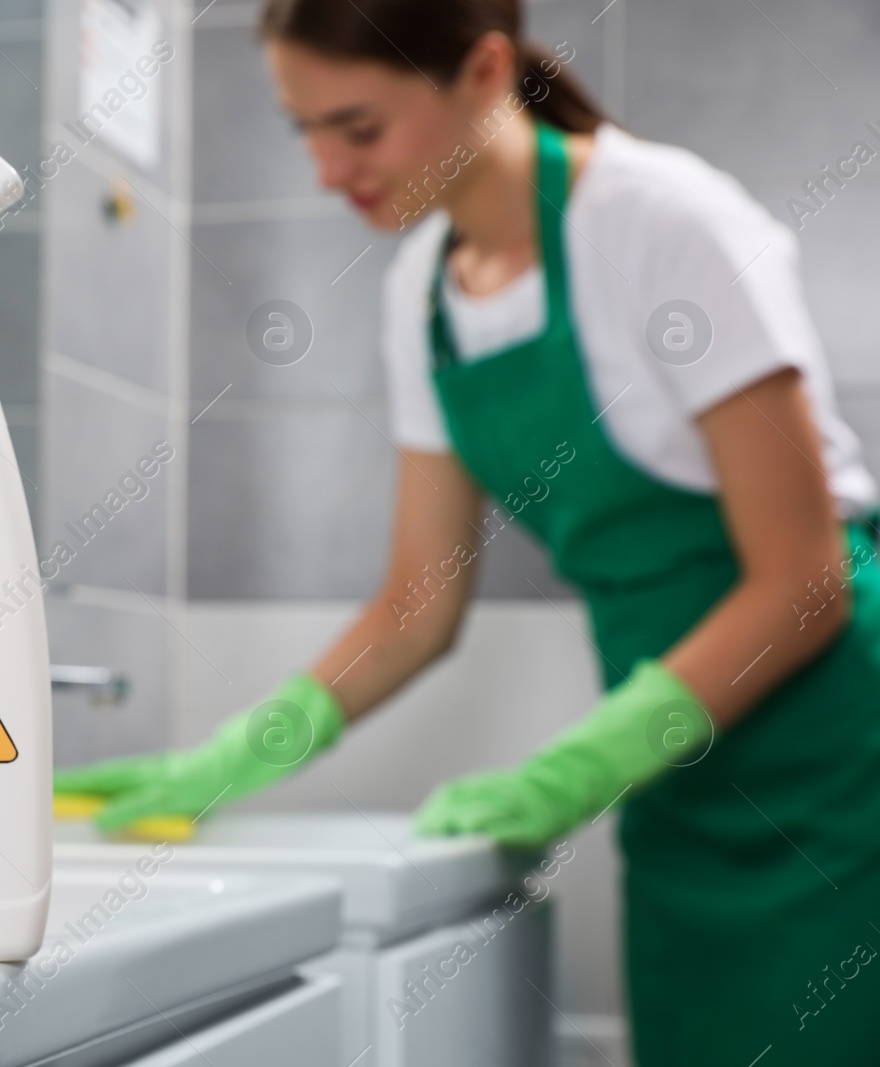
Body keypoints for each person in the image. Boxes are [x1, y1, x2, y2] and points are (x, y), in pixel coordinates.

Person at [54, 0, 880, 1060]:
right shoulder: (421, 298)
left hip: (835, 746)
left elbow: (802, 579)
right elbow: (415, 604)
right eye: (302, 130)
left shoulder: (662, 220)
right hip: (677, 763)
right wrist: (231, 757)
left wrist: (574, 767)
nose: (325, 171)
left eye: (356, 128)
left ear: (485, 70)